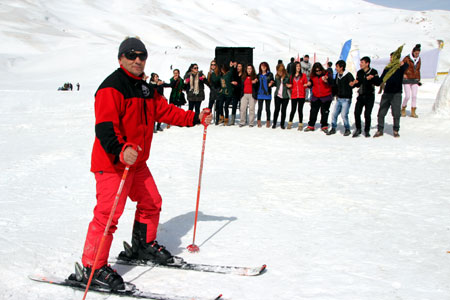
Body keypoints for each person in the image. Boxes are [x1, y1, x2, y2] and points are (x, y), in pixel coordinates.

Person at [77, 37, 212, 291]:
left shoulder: (146, 89)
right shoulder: (111, 87)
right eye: (131, 55)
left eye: (142, 56)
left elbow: (166, 112)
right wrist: (120, 150)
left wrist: (196, 117)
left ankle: (143, 245)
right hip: (112, 163)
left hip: (136, 163)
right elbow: (105, 127)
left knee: (152, 202)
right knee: (107, 216)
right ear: (120, 59)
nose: (137, 60)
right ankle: (92, 268)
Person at [374, 51, 409, 138]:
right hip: (386, 93)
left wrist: (402, 63)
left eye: (392, 57)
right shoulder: (387, 68)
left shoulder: (400, 68)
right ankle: (380, 130)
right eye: (390, 57)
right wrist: (374, 78)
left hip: (396, 94)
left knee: (396, 113)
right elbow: (380, 80)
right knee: (381, 112)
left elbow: (407, 66)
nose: (390, 59)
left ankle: (396, 130)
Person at [352, 57, 382, 137]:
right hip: (361, 95)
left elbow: (378, 83)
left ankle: (367, 130)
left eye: (362, 62)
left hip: (369, 96)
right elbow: (358, 84)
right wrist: (354, 83)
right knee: (357, 112)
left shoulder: (373, 71)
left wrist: (372, 78)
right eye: (360, 62)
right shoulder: (359, 72)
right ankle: (358, 129)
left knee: (367, 114)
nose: (360, 64)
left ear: (367, 63)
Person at [327, 60, 355, 136]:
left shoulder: (348, 75)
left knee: (344, 114)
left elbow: (353, 83)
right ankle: (333, 128)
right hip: (339, 98)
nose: (336, 68)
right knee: (334, 114)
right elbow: (335, 86)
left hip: (346, 99)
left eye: (337, 66)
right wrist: (333, 94)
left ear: (341, 67)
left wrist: (352, 84)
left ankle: (347, 129)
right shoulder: (337, 76)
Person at [304, 63, 333, 133]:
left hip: (326, 96)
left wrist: (327, 81)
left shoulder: (327, 74)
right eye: (316, 71)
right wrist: (309, 84)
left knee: (324, 112)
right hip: (316, 96)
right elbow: (311, 83)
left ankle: (324, 125)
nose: (318, 72)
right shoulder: (313, 76)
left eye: (319, 70)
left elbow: (332, 83)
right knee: (313, 111)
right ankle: (311, 125)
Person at [402, 44, 421, 118]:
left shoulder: (419, 59)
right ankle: (403, 107)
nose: (417, 54)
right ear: (413, 52)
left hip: (415, 79)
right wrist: (403, 74)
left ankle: (413, 111)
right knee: (407, 96)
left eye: (418, 53)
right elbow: (402, 66)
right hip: (407, 79)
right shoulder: (407, 58)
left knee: (414, 96)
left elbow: (418, 70)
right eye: (416, 53)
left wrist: (418, 79)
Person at [287, 62, 308, 130]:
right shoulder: (291, 76)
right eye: (297, 66)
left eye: (299, 66)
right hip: (294, 95)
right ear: (294, 67)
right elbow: (290, 84)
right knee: (293, 109)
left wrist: (306, 85)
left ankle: (300, 124)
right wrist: (289, 86)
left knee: (300, 110)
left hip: (301, 95)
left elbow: (305, 83)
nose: (298, 67)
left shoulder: (303, 75)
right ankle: (290, 123)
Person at [256, 62, 275, 128]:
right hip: (260, 94)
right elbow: (256, 84)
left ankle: (268, 121)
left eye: (264, 66)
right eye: (262, 66)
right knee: (260, 108)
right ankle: (258, 121)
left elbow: (273, 81)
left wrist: (271, 83)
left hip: (267, 94)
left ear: (267, 67)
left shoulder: (270, 74)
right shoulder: (258, 75)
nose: (263, 67)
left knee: (267, 108)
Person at [272, 64, 291, 129]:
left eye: (281, 71)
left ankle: (282, 124)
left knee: (283, 110)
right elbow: (276, 84)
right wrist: (272, 83)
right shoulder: (276, 76)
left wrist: (284, 80)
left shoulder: (287, 76)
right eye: (278, 71)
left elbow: (289, 84)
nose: (279, 72)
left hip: (285, 96)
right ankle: (274, 123)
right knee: (276, 109)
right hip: (277, 95)